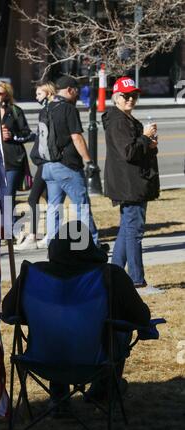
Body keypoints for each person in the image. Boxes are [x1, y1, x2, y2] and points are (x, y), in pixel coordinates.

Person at [2, 220, 151, 410]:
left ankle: (59, 398)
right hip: (96, 361)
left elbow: (8, 312)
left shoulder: (35, 275)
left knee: (58, 326)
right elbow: (141, 318)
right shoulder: (110, 276)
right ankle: (104, 389)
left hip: (43, 359)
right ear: (89, 248)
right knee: (119, 330)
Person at [102, 76, 161, 294]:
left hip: (131, 182)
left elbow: (134, 149)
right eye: (125, 96)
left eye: (133, 96)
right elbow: (128, 152)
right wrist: (145, 138)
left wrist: (150, 143)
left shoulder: (125, 119)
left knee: (127, 230)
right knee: (134, 231)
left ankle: (113, 275)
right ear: (116, 98)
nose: (130, 100)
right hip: (129, 184)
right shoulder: (118, 121)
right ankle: (137, 281)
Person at [40, 75, 101, 247]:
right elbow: (77, 138)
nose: (77, 95)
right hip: (67, 166)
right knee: (82, 206)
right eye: (77, 91)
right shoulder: (68, 109)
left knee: (54, 208)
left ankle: (53, 247)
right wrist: (89, 161)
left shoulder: (46, 108)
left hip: (48, 166)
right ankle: (91, 246)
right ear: (70, 90)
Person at [15, 81, 56, 251]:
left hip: (45, 162)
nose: (36, 97)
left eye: (39, 94)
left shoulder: (49, 111)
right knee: (50, 198)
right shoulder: (45, 111)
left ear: (48, 93)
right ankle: (52, 234)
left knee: (33, 199)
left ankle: (33, 235)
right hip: (43, 161)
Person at [0, 81, 32, 237]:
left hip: (13, 160)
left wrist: (12, 136)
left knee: (8, 195)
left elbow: (27, 133)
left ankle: (10, 230)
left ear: (7, 94)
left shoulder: (15, 111)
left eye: (1, 93)